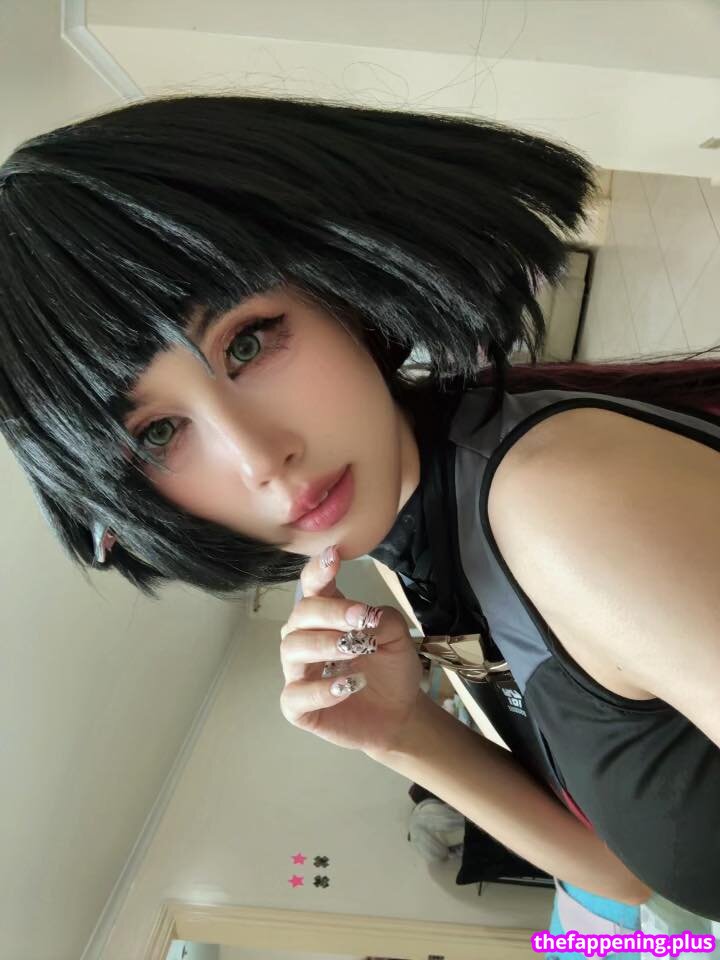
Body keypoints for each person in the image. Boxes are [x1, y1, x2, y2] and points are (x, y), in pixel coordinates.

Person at [1, 93, 719, 920]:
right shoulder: (423, 545)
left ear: (334, 290)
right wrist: (401, 732)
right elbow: (625, 875)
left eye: (246, 342)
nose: (259, 457)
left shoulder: (556, 507)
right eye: (159, 433)